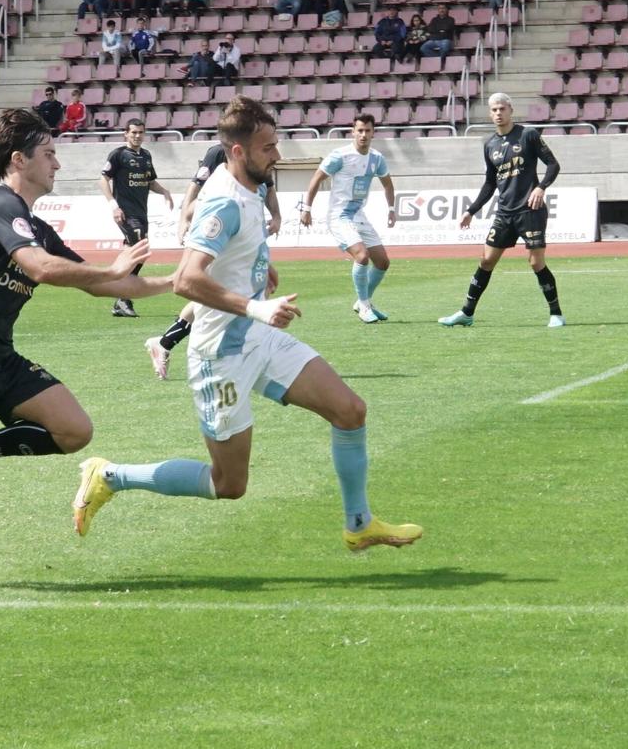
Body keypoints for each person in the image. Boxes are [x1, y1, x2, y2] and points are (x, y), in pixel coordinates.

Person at [71, 96, 423, 554]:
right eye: (267, 148)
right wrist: (256, 306)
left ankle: (359, 524)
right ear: (238, 151)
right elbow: (186, 279)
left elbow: (239, 249)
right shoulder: (223, 204)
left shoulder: (249, 184)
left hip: (260, 339)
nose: (276, 155)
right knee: (228, 483)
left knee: (350, 411)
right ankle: (110, 475)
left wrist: (261, 268)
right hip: (221, 355)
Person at [0, 108, 164, 587]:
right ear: (19, 160)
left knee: (73, 431)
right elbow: (40, 269)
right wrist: (110, 271)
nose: (57, 164)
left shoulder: (36, 225)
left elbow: (103, 284)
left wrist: (177, 281)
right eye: (50, 154)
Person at [146, 134, 284, 376]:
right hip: (217, 232)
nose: (275, 154)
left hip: (244, 233)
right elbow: (195, 188)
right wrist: (183, 221)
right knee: (207, 289)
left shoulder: (259, 157)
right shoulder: (218, 155)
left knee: (214, 293)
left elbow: (269, 189)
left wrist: (276, 217)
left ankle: (165, 343)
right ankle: (172, 345)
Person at [439, 92, 564, 328]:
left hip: (530, 210)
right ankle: (467, 313)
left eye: (502, 109)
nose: (498, 113)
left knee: (536, 263)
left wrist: (541, 188)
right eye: (494, 110)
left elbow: (553, 164)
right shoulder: (490, 144)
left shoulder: (528, 135)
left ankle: (556, 313)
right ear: (490, 113)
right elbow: (490, 182)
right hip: (504, 213)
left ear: (510, 110)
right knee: (486, 261)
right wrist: (471, 210)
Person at [298, 113, 397, 324]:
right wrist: (306, 208)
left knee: (382, 262)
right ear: (352, 132)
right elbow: (317, 178)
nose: (363, 135)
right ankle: (363, 304)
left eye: (367, 131)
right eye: (359, 131)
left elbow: (388, 184)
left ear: (373, 133)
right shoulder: (339, 156)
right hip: (338, 216)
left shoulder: (376, 158)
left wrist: (391, 208)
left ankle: (364, 301)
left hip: (359, 215)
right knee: (361, 256)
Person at [101, 117, 175, 319]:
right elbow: (103, 180)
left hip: (142, 213)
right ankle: (123, 297)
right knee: (141, 248)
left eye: (140, 132)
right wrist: (113, 206)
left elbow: (150, 182)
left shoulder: (146, 156)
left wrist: (165, 192)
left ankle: (117, 287)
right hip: (126, 212)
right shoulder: (118, 155)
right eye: (133, 132)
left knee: (136, 252)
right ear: (126, 133)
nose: (137, 136)